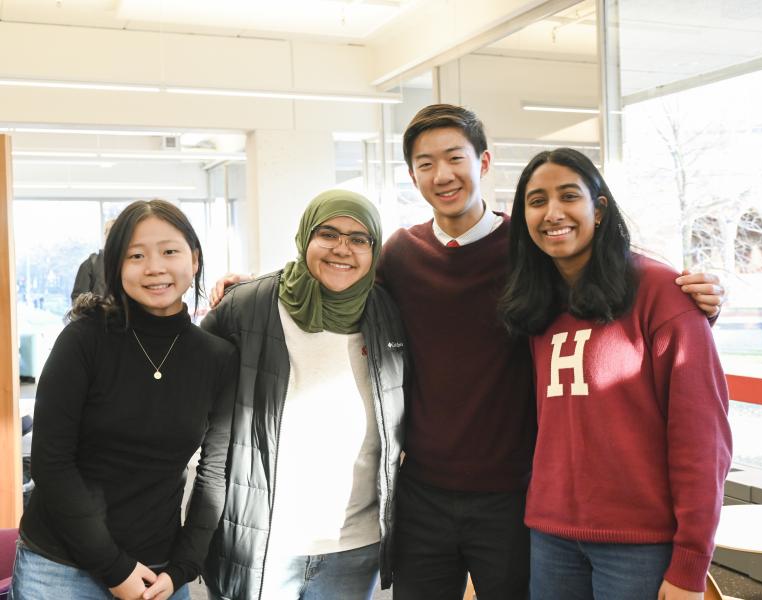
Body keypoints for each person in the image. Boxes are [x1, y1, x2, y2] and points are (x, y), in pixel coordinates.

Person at [210, 104, 726, 600]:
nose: (442, 174)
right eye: (425, 164)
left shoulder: (530, 252)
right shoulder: (400, 254)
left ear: (483, 163)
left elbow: (606, 272)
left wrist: (700, 293)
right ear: (412, 177)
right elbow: (339, 271)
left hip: (515, 494)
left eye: (455, 158)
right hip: (422, 492)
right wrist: (261, 284)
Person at [500, 147, 732, 600]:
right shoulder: (534, 303)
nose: (553, 213)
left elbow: (703, 440)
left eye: (569, 196)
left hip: (639, 545)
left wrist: (691, 564)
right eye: (536, 200)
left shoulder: (661, 292)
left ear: (599, 209)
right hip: (551, 535)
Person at [11, 200, 237, 600]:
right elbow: (51, 464)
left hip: (158, 573)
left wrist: (185, 565)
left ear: (195, 260)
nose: (155, 267)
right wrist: (115, 570)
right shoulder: (83, 340)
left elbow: (214, 473)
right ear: (116, 266)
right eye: (136, 255)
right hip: (60, 569)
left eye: (170, 251)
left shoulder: (216, 357)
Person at [203, 189, 406, 600]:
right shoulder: (248, 305)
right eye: (328, 234)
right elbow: (185, 378)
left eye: (359, 238)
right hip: (263, 539)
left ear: (375, 249)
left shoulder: (389, 311)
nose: (342, 249)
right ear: (305, 237)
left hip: (352, 546)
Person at [71, 218, 116, 302]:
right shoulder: (90, 265)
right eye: (111, 231)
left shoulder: (129, 264)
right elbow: (77, 302)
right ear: (105, 235)